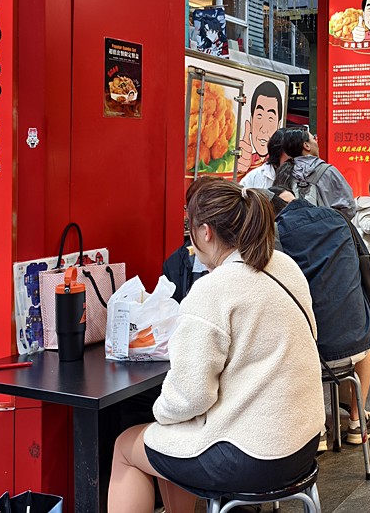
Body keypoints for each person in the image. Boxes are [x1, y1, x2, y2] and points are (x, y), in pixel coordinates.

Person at [108, 178, 323, 513]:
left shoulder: (213, 289)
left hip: (251, 455)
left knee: (126, 446)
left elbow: (190, 397)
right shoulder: (286, 267)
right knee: (169, 440)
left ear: (205, 232)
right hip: (303, 443)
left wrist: (160, 412)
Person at [267, 187, 370, 448]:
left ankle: (315, 430)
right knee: (368, 334)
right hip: (354, 345)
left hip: (307, 353)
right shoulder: (339, 220)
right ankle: (357, 421)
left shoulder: (275, 232)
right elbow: (364, 257)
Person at [274, 128, 356, 218]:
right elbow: (349, 208)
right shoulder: (329, 172)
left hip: (291, 230)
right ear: (306, 145)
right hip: (326, 230)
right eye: (314, 138)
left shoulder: (282, 174)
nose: (316, 142)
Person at [237, 80, 283, 176]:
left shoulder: (282, 164)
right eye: (259, 116)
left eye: (270, 118)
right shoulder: (245, 158)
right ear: (251, 120)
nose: (263, 128)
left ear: (279, 125)